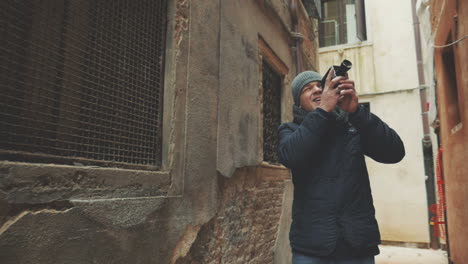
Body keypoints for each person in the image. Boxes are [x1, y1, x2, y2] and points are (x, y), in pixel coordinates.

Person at [277, 69, 405, 264]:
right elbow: (291, 156)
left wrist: (357, 112)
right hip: (312, 246)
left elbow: (394, 153)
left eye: (321, 85)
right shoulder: (290, 130)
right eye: (308, 88)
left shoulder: (352, 126)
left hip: (357, 243)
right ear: (298, 101)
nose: (318, 90)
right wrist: (322, 112)